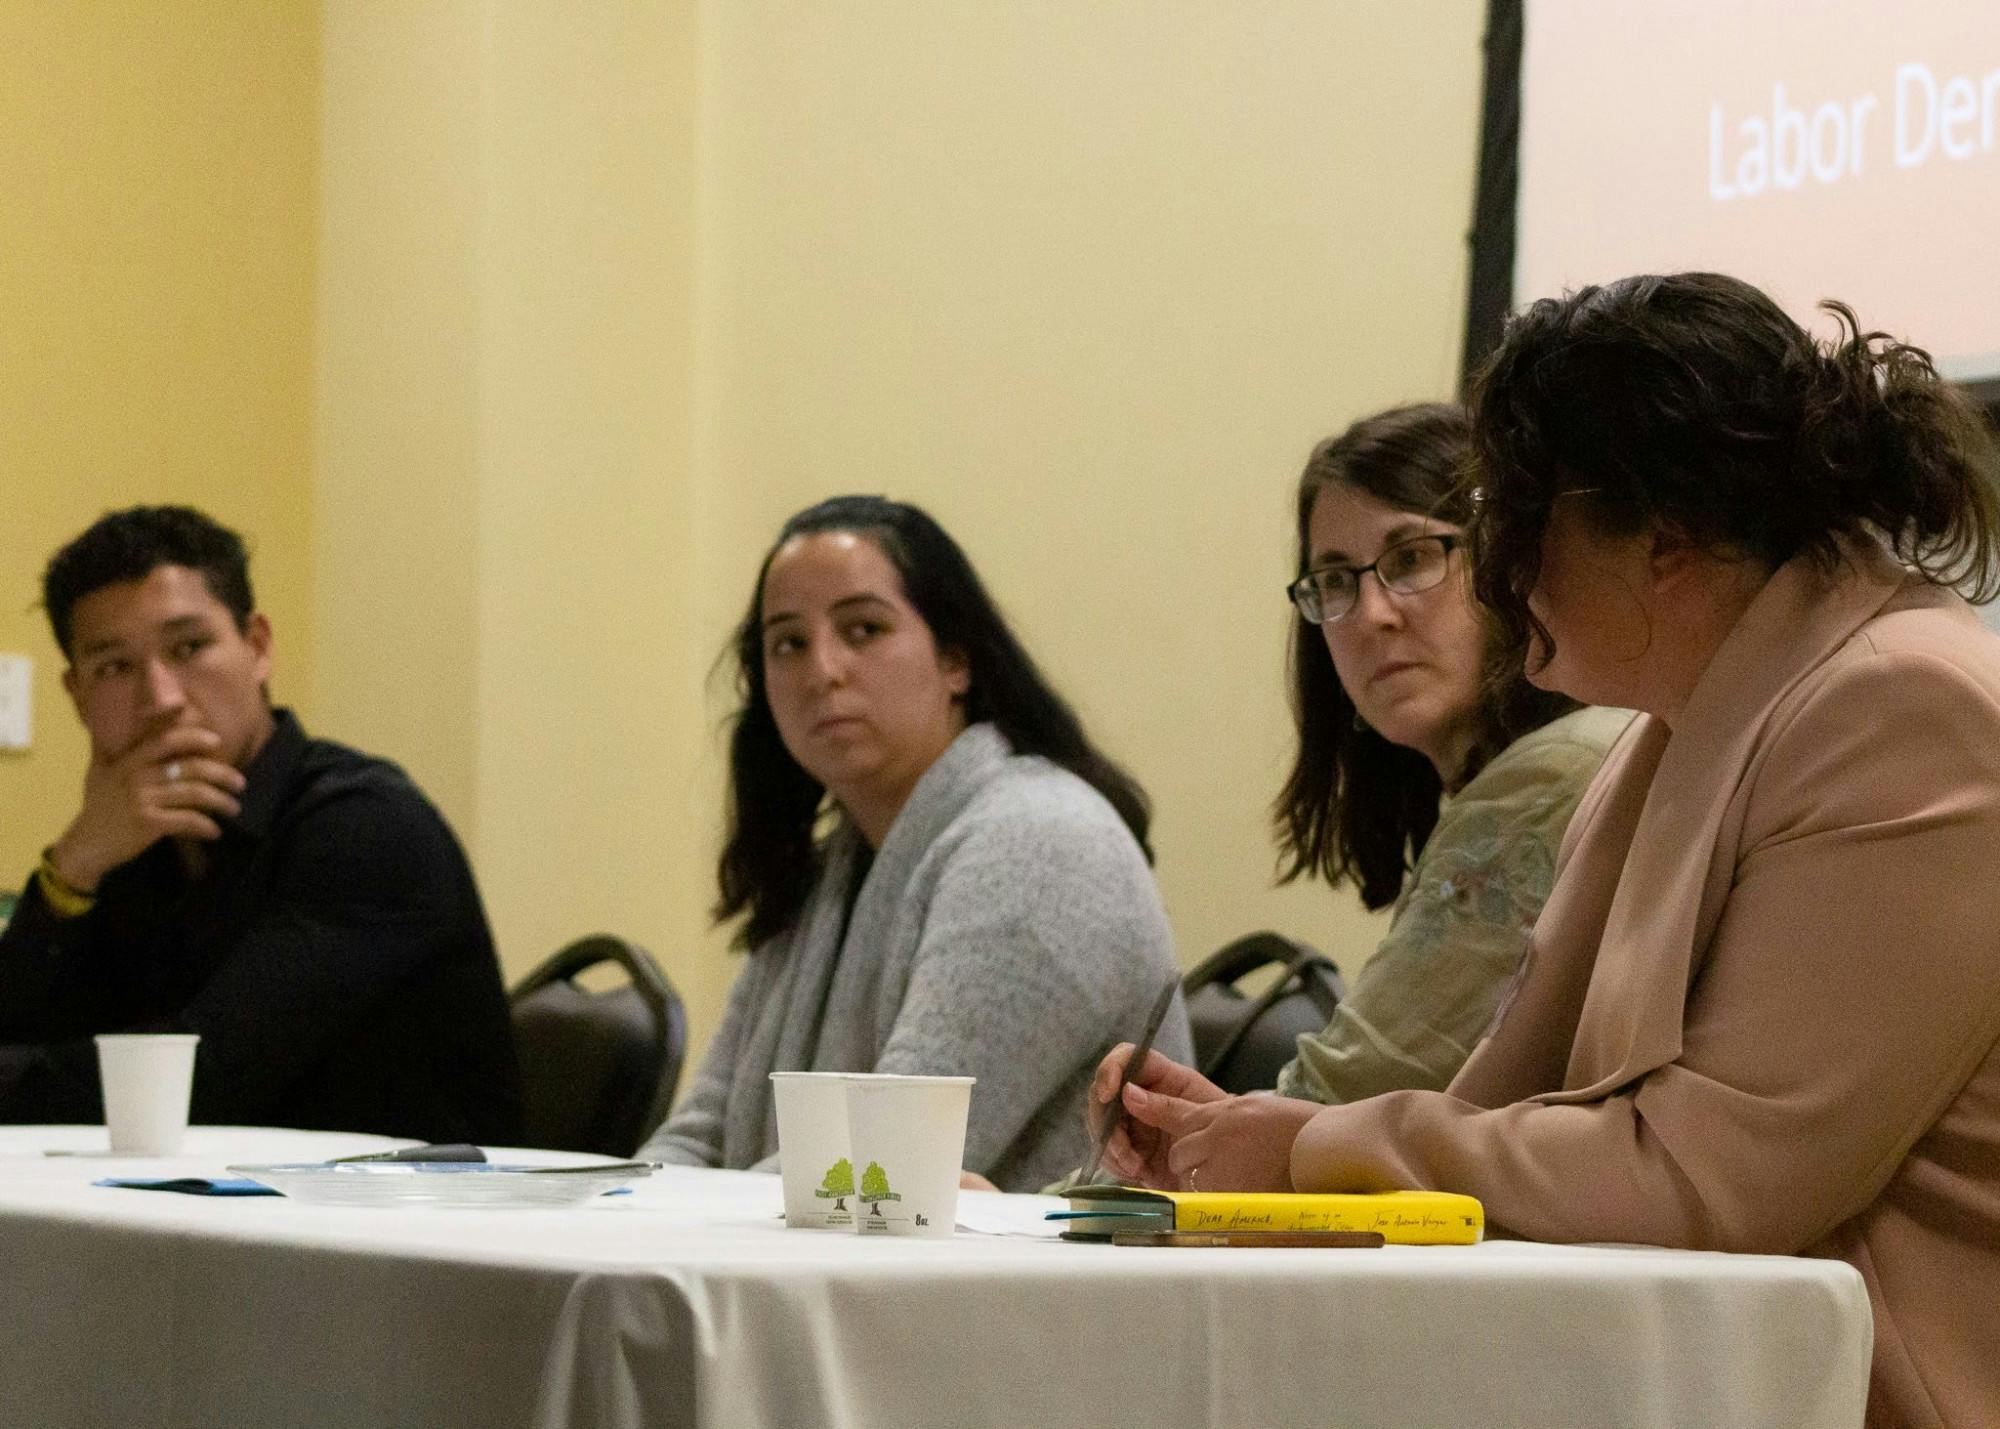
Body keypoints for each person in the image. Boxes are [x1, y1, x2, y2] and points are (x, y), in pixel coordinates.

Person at [1121, 274, 2000, 1427]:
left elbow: (1703, 1180)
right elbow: (1497, 1111)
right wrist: (1237, 1151)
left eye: (1521, 518)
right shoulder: (1678, 726)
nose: (1500, 568)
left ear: (1665, 539)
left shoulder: (1898, 710)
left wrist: (1308, 1150)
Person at [1088, 404, 1628, 1184]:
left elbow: (1356, 1094)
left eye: (1412, 557)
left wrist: (1165, 1164)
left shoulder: (1552, 774)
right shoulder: (1551, 760)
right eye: (1336, 580)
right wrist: (1203, 1130)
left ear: (1508, 557)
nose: (1371, 614)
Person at [640, 495, 1189, 1192]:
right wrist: (621, 1210)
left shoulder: (1039, 844)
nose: (823, 670)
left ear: (955, 660)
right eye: (788, 643)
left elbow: (877, 1165)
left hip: (1032, 1297)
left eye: (863, 628)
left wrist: (663, 1220)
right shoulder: (825, 869)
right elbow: (702, 1130)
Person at [0, 506, 520, 1144]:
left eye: (189, 648)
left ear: (258, 646)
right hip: (213, 1219)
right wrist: (75, 862)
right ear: (76, 693)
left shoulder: (364, 823)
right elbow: (28, 1034)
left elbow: (200, 1080)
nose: (160, 697)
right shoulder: (136, 842)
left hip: (414, 1229)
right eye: (114, 667)